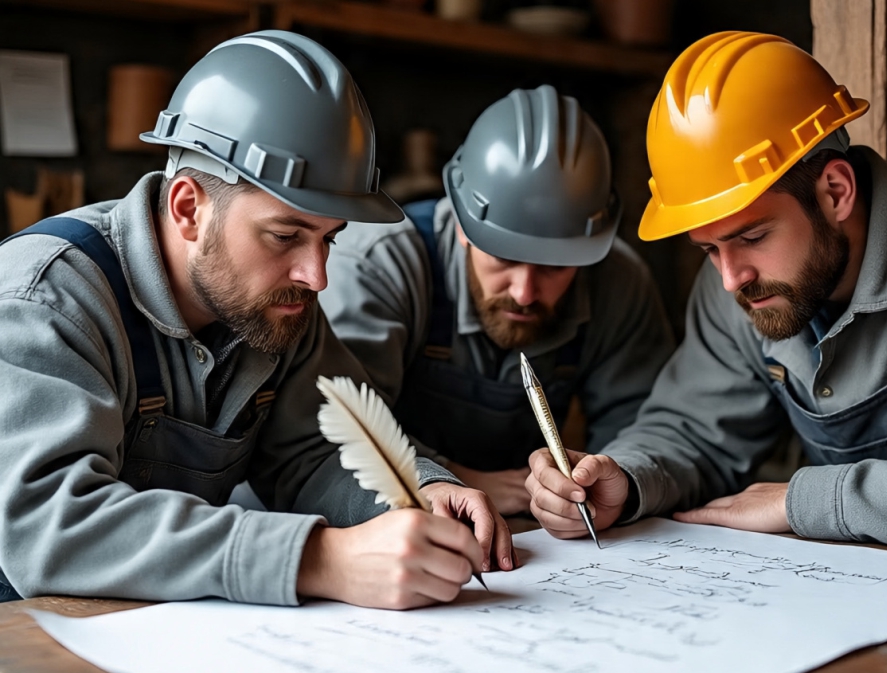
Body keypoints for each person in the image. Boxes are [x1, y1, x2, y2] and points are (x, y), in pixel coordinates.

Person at [0, 30, 514, 609]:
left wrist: (415, 488)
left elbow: (315, 452)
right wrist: (317, 559)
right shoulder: (42, 301)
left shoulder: (275, 304)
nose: (316, 276)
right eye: (285, 235)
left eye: (329, 240)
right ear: (189, 208)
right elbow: (49, 524)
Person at [526, 31, 887, 558]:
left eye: (753, 237)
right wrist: (623, 479)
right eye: (708, 249)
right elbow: (695, 431)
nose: (730, 278)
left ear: (835, 191)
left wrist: (801, 503)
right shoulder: (743, 281)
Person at [318, 85, 675, 515]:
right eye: (504, 256)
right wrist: (449, 478)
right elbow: (329, 435)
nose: (524, 292)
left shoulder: (618, 281)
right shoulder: (378, 263)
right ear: (463, 225)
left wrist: (607, 483)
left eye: (555, 266)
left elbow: (646, 425)